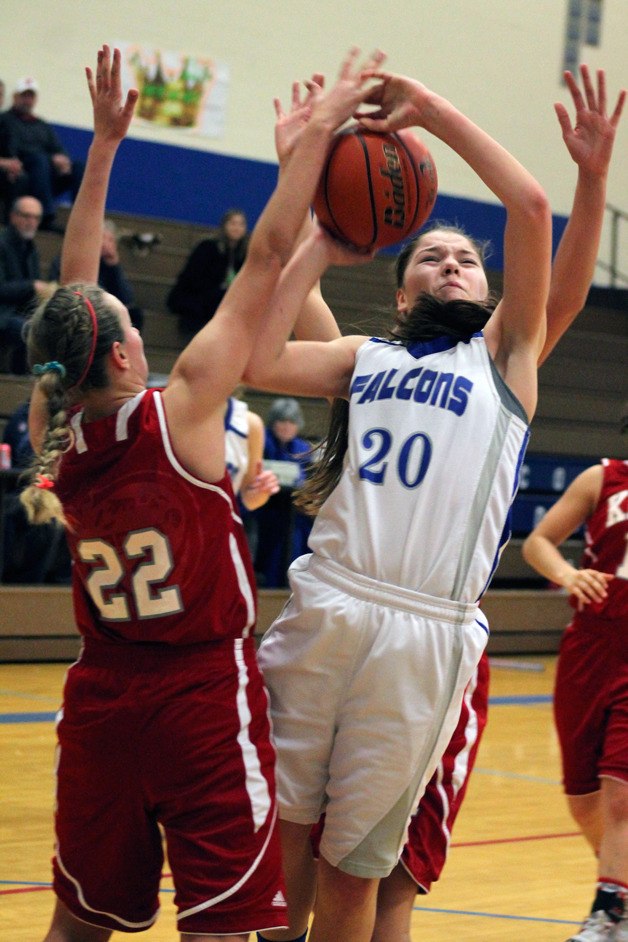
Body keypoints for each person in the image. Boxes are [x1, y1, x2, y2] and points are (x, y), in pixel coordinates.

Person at [19, 43, 384, 942]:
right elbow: (263, 259)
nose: (142, 333)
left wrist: (103, 149)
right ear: (120, 356)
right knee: (223, 928)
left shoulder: (50, 433)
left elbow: (73, 292)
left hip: (100, 699)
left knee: (78, 923)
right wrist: (314, 143)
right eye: (132, 328)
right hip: (197, 698)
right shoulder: (181, 412)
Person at [243, 60, 554, 942]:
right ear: (399, 284)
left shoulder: (505, 360)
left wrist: (433, 113)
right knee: (283, 849)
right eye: (431, 255)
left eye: (466, 260)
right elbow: (263, 360)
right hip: (327, 602)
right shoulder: (365, 360)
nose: (452, 264)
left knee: (353, 878)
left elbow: (531, 207)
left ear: (492, 294)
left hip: (425, 634)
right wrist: (311, 205)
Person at [522, 450, 628, 942]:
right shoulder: (601, 477)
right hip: (590, 646)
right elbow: (539, 541)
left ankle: (608, 915)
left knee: (621, 794)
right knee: (583, 797)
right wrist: (566, 575)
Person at [0, 76, 84, 230]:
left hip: (45, 175)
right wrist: (51, 158)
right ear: (15, 97)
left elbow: (58, 149)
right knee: (39, 160)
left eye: (31, 96)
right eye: (24, 96)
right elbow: (13, 150)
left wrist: (62, 160)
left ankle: (82, 216)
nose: (27, 100)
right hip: (26, 169)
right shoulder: (5, 121)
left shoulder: (42, 125)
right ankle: (45, 215)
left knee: (79, 167)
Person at [255, 397, 314, 587]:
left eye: (292, 422)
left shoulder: (302, 448)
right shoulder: (262, 441)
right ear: (273, 422)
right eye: (282, 421)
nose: (287, 427)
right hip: (265, 508)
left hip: (293, 511)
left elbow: (307, 480)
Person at [48, 218, 144, 331]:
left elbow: (127, 298)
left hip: (104, 310)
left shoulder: (109, 264)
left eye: (111, 240)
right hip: (79, 308)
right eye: (102, 238)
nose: (106, 244)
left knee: (135, 314)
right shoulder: (73, 255)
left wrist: (114, 267)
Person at [167, 208, 249, 336]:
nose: (237, 228)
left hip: (225, 298)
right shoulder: (208, 247)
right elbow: (193, 279)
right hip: (199, 296)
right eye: (233, 223)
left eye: (241, 224)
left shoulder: (243, 254)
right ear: (224, 226)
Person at [0, 194, 56, 373]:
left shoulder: (31, 249)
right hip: (4, 313)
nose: (31, 222)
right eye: (27, 216)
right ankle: (21, 379)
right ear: (13, 216)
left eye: (36, 217)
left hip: (20, 312)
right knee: (31, 329)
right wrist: (32, 286)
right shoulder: (2, 244)